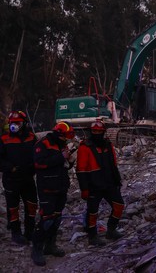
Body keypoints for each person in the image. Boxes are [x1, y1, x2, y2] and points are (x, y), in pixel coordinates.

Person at [31, 121, 76, 267]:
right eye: (66, 136)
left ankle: (50, 245)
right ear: (59, 134)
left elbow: (64, 165)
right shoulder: (42, 144)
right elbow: (39, 164)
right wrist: (60, 157)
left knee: (56, 218)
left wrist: (69, 160)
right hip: (47, 188)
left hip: (60, 186)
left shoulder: (60, 144)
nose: (67, 139)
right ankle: (37, 249)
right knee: (47, 219)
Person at [76, 120, 124, 246]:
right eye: (94, 131)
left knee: (119, 205)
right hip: (93, 185)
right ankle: (92, 236)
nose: (96, 133)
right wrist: (84, 189)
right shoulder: (84, 147)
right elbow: (81, 170)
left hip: (109, 183)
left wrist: (117, 180)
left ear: (103, 132)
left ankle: (111, 230)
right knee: (93, 212)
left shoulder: (108, 145)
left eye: (99, 131)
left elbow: (113, 164)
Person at [0, 111, 37, 245]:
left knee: (32, 205)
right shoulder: (4, 139)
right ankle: (16, 232)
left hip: (28, 178)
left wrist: (34, 167)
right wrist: (10, 167)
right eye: (12, 123)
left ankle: (30, 231)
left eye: (17, 123)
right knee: (13, 207)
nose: (14, 125)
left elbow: (37, 155)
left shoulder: (31, 138)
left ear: (24, 123)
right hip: (11, 179)